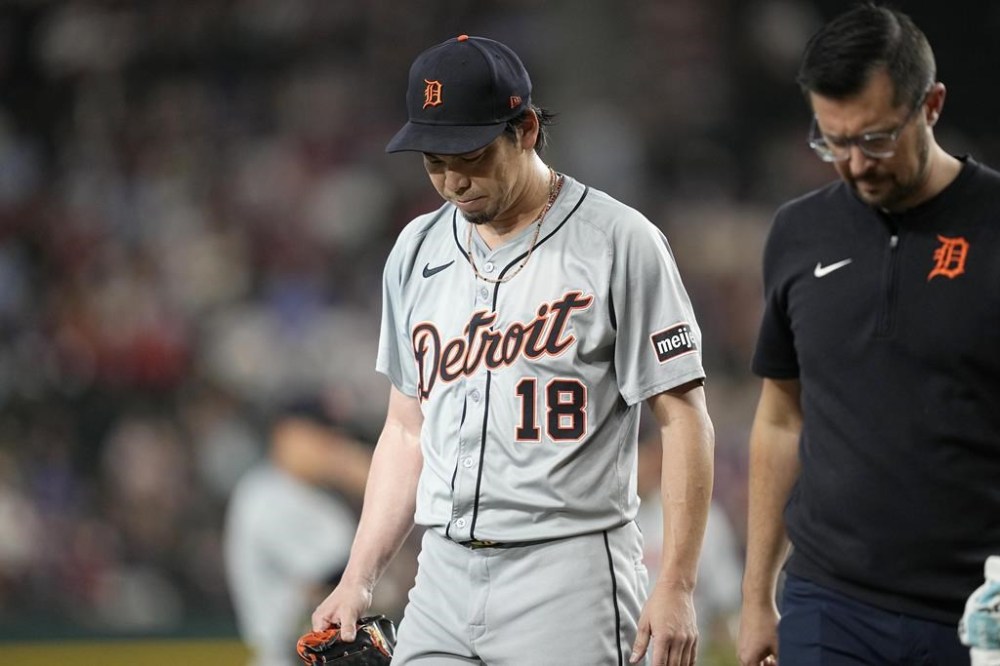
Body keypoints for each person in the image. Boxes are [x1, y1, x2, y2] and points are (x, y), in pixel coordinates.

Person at [310, 34, 715, 666]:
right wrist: (358, 577)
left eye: (467, 155)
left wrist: (678, 585)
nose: (451, 181)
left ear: (524, 128)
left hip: (569, 569)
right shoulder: (416, 250)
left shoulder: (618, 242)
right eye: (432, 161)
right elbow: (405, 431)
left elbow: (684, 418)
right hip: (442, 571)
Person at [737, 4, 1000, 665]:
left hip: (977, 612)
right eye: (833, 142)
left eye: (877, 139)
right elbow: (780, 418)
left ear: (931, 105)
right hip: (831, 605)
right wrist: (755, 598)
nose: (855, 164)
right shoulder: (798, 234)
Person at [224, 399, 374, 666]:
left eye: (333, 434)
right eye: (317, 433)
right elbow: (338, 577)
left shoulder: (320, 499)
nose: (331, 445)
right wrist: (381, 491)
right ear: (284, 435)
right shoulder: (266, 495)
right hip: (293, 657)